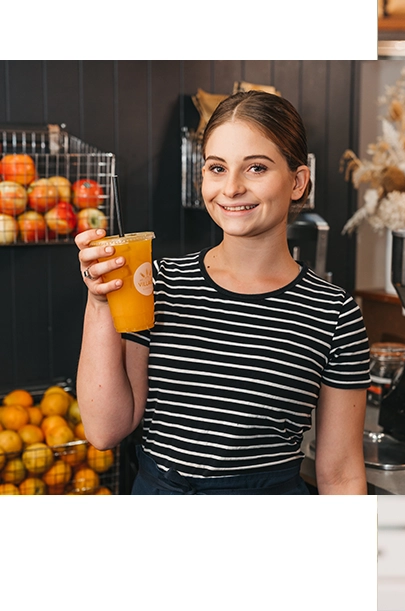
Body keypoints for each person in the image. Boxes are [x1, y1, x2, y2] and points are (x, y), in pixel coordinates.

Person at [75, 91, 370, 494]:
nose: (230, 188)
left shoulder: (333, 313)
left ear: (298, 182)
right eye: (217, 168)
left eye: (256, 168)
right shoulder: (158, 283)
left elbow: (340, 473)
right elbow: (105, 429)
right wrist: (98, 301)